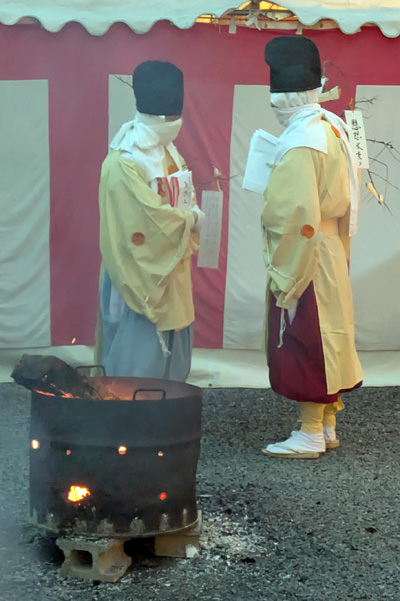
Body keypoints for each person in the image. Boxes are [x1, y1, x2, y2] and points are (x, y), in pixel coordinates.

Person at [260, 36, 363, 459]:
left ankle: (309, 431)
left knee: (307, 337)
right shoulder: (329, 127)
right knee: (329, 336)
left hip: (307, 252)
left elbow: (294, 215)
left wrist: (285, 273)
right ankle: (328, 424)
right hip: (328, 247)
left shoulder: (303, 140)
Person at [94, 60, 205, 381]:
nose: (176, 121)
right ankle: (128, 427)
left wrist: (189, 217)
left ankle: (166, 421)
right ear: (156, 113)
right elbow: (144, 221)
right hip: (138, 274)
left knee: (171, 365)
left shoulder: (169, 151)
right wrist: (190, 220)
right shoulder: (125, 160)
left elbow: (182, 193)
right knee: (136, 365)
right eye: (171, 116)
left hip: (171, 270)